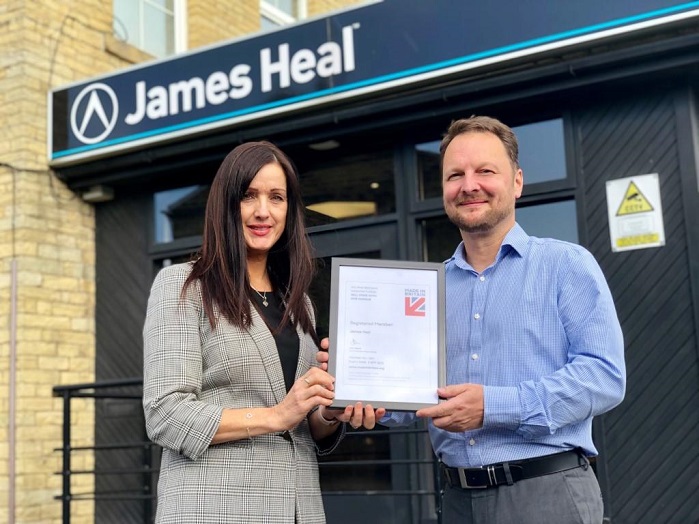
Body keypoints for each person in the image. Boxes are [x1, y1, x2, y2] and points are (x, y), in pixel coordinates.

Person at [319, 116, 626, 523]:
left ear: (516, 181)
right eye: (455, 175)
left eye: (485, 171)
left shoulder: (565, 265)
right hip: (458, 500)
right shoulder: (429, 290)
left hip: (546, 496)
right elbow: (416, 394)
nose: (469, 185)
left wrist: (494, 406)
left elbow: (604, 377)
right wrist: (354, 394)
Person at [142, 141, 380, 524]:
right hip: (213, 507)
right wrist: (275, 416)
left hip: (299, 507)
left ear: (290, 210)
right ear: (225, 204)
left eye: (277, 197)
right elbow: (164, 413)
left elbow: (301, 425)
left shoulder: (299, 303)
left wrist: (330, 412)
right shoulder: (183, 286)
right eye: (249, 196)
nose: (263, 211)